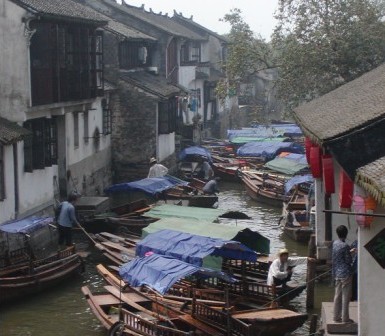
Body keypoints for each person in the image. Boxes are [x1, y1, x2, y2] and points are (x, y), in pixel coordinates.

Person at [332, 225, 354, 323]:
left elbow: (339, 255)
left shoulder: (335, 243)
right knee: (346, 297)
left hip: (337, 272)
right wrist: (351, 253)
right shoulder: (345, 246)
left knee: (337, 296)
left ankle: (336, 317)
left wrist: (349, 251)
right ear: (346, 234)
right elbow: (348, 260)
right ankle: (345, 318)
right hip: (346, 274)